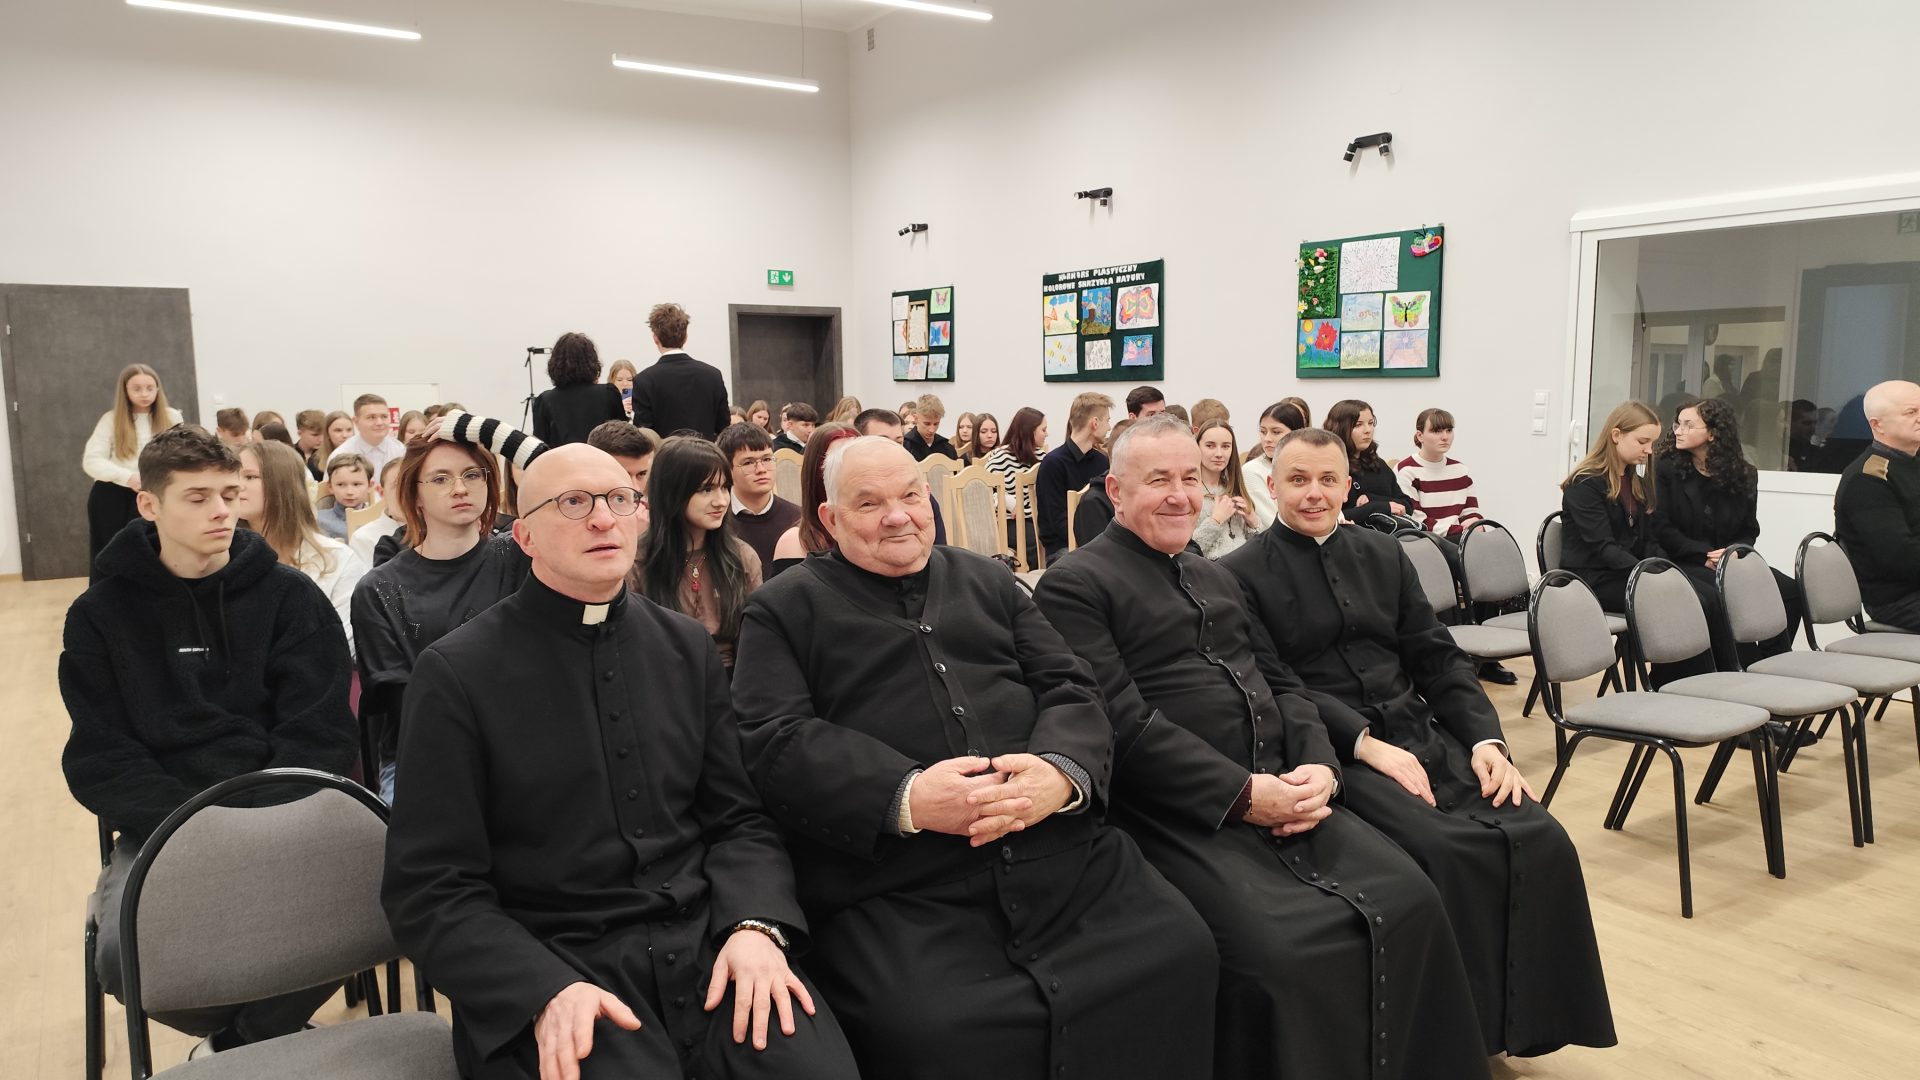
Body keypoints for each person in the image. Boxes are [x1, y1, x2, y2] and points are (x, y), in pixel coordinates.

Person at [731, 436, 1220, 1079]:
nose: (898, 516)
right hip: (903, 885)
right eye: (869, 504)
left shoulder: (989, 580)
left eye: (911, 496)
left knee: (1181, 950)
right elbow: (775, 736)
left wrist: (1060, 772)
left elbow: (1072, 686)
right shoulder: (781, 608)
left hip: (1062, 858)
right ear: (830, 518)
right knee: (935, 1031)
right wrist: (905, 797)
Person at [381, 443, 857, 1080]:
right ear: (524, 536)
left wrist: (754, 925)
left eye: (619, 499)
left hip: (711, 946)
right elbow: (432, 887)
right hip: (561, 967)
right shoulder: (456, 673)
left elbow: (738, 819)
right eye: (574, 503)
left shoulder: (685, 646)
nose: (603, 519)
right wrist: (540, 989)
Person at [1035, 415, 1491, 1079]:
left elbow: (1283, 684)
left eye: (1190, 478)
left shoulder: (1214, 575)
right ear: (1115, 490)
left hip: (1285, 785)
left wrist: (1320, 766)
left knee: (1414, 900)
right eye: (1158, 480)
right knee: (1280, 954)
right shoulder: (1076, 583)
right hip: (1181, 813)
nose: (1180, 495)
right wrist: (1244, 794)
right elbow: (1121, 722)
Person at [1225, 429, 1616, 1059]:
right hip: (1336, 748)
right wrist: (1364, 744)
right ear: (1270, 486)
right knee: (1446, 852)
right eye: (1297, 480)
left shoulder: (1383, 553)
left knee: (1541, 835)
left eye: (1328, 480)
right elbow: (1277, 684)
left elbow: (1436, 655)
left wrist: (1486, 740)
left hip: (1419, 731)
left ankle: (1521, 1029)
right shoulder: (1237, 574)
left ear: (1348, 487)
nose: (1314, 493)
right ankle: (1458, 1042)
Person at [63, 425, 356, 1057]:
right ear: (149, 504)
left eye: (229, 492)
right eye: (197, 498)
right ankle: (257, 1037)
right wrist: (196, 827)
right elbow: (103, 753)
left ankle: (239, 1042)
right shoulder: (99, 614)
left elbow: (319, 728)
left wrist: (261, 821)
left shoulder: (290, 597)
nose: (222, 510)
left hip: (287, 813)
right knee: (121, 960)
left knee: (377, 902)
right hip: (166, 824)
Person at [352, 425, 533, 801]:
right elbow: (406, 705)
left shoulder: (520, 556)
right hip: (424, 756)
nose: (460, 488)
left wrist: (487, 430)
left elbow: (573, 482)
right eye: (440, 479)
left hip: (522, 743)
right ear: (414, 495)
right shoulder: (379, 589)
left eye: (472, 475)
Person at [1654, 397, 1799, 659]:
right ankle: (1741, 663)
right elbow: (1662, 528)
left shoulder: (1744, 474)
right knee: (1729, 592)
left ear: (1712, 433)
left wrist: (1733, 552)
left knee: (1789, 591)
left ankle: (1773, 661)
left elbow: (1749, 529)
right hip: (1685, 558)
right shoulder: (1666, 469)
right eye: (1678, 424)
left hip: (1729, 559)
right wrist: (1703, 555)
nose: (1678, 431)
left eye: (1688, 425)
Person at [637, 437, 764, 670]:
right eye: (706, 490)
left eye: (724, 488)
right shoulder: (639, 561)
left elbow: (756, 642)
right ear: (673, 491)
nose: (721, 501)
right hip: (663, 677)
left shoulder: (741, 557)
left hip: (732, 679)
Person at [235, 440, 369, 658]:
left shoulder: (337, 559)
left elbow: (340, 643)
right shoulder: (222, 556)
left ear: (282, 483)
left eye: (250, 477)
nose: (237, 486)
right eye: (235, 476)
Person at [82, 363, 183, 582]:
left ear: (157, 389)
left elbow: (183, 454)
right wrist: (128, 477)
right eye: (136, 388)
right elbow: (91, 461)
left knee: (157, 553)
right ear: (125, 391)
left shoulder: (172, 417)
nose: (144, 394)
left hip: (157, 493)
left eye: (150, 388)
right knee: (112, 555)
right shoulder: (110, 420)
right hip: (113, 497)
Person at [1558, 401, 1662, 614]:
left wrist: (1667, 570)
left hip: (1622, 572)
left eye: (1652, 443)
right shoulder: (1584, 483)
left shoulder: (1635, 481)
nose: (1649, 450)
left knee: (1694, 594)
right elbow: (1604, 547)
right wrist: (1644, 574)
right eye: (1643, 441)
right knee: (1666, 600)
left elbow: (1648, 541)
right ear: (1616, 435)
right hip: (1590, 578)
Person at [1834, 379, 1920, 630]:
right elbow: (1899, 557)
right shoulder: (1868, 478)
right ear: (1877, 425)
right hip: (1898, 600)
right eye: (1911, 412)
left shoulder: (1911, 464)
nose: (1919, 418)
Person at [768, 423, 859, 578]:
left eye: (856, 459)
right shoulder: (795, 543)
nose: (849, 470)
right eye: (834, 462)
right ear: (816, 470)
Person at [631, 303, 731, 439]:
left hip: (665, 451)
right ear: (685, 337)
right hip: (706, 450)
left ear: (655, 338)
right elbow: (724, 427)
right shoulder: (713, 375)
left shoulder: (644, 380)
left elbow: (645, 434)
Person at [851, 410, 948, 546]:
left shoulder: (920, 496)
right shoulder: (851, 497)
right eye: (883, 443)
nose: (894, 450)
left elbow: (938, 548)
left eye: (898, 442)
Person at [1036, 392, 1112, 564]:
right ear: (1095, 423)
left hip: (1094, 543)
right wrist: (1095, 544)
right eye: (1107, 420)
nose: (1109, 427)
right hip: (1064, 548)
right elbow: (1057, 521)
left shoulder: (1102, 460)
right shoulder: (1053, 463)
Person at [718, 423, 801, 569]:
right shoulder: (717, 518)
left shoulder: (797, 518)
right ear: (727, 469)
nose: (761, 469)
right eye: (748, 462)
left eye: (767, 459)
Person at [1394, 407, 1485, 541]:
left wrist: (1476, 524)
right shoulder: (1406, 471)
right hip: (1425, 541)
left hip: (1460, 539)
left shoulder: (1460, 471)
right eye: (1436, 431)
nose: (1445, 437)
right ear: (1420, 436)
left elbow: (1470, 513)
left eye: (1449, 430)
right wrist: (1460, 530)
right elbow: (1416, 522)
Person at [532, 331, 627, 446]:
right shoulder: (608, 393)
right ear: (592, 361)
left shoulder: (545, 400)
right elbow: (624, 439)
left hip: (561, 457)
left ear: (555, 363)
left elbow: (541, 446)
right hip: (600, 456)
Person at [1325, 399, 1410, 526]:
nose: (1368, 430)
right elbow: (1330, 517)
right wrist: (1375, 507)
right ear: (1341, 428)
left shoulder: (1377, 464)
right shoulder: (1330, 468)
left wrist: (1372, 499)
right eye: (1358, 425)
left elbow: (1407, 505)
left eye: (1371, 423)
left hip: (1389, 534)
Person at [984, 407, 1046, 557]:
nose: (1047, 434)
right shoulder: (1001, 456)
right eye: (1043, 430)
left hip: (1036, 518)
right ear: (1030, 431)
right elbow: (984, 488)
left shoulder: (1042, 456)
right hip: (1008, 521)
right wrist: (1009, 502)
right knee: (1034, 542)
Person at [1193, 418, 1259, 558]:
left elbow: (1259, 549)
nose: (1219, 454)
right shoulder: (1189, 492)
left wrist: (1253, 522)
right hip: (1210, 568)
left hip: (1242, 567)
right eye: (1210, 446)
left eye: (1225, 446)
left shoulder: (1236, 489)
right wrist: (1215, 521)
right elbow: (1187, 551)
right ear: (1197, 447)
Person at [1242, 400, 1305, 529]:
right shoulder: (1252, 470)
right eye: (1263, 431)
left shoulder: (1311, 464)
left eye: (1276, 432)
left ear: (1297, 433)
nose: (1267, 439)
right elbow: (1271, 522)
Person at [587, 419, 661, 511]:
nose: (636, 488)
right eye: (624, 475)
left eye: (641, 474)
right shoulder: (574, 512)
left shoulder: (655, 511)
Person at [329, 393, 407, 475]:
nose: (379, 423)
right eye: (371, 417)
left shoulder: (400, 451)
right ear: (356, 422)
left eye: (384, 416)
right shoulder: (340, 456)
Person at [351, 458, 408, 567]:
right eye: (398, 485)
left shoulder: (438, 531)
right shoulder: (364, 538)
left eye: (413, 485)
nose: (407, 493)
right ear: (382, 493)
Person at [316, 454, 374, 541]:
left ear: (369, 486)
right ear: (330, 487)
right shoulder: (319, 520)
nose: (349, 492)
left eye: (356, 484)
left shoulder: (377, 518)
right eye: (341, 485)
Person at [902, 394, 956, 461]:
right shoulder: (905, 447)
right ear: (916, 418)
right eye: (927, 424)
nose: (932, 430)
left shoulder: (947, 448)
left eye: (936, 424)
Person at [294, 409, 328, 478]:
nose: (321, 439)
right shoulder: (290, 454)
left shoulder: (329, 454)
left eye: (324, 434)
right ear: (300, 433)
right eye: (315, 435)